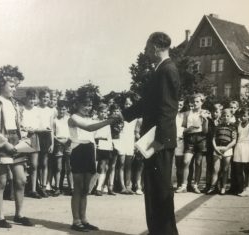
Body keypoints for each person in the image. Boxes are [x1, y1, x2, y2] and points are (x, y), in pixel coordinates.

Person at [122, 32, 179, 235]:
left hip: (158, 141)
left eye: (147, 47)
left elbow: (167, 109)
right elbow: (147, 103)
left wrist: (157, 143)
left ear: (156, 47)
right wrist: (123, 115)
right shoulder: (160, 70)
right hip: (155, 139)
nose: (145, 51)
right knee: (153, 189)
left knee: (160, 191)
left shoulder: (167, 70)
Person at [0, 65, 34, 228]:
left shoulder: (14, 104)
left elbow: (17, 123)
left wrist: (25, 133)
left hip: (16, 141)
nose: (14, 89)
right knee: (2, 180)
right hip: (2, 142)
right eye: (12, 86)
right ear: (2, 85)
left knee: (20, 180)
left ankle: (19, 214)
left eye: (16, 86)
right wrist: (5, 143)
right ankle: (0, 217)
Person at [68, 94, 119, 232]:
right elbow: (89, 128)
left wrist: (114, 122)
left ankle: (83, 219)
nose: (87, 107)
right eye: (84, 104)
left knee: (86, 188)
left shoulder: (90, 118)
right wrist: (110, 120)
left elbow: (95, 131)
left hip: (90, 150)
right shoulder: (73, 117)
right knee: (78, 188)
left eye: (90, 105)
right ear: (77, 104)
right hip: (78, 151)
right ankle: (76, 220)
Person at [176, 93, 209, 194]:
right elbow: (183, 130)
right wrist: (190, 129)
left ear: (202, 102)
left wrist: (205, 120)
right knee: (186, 161)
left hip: (201, 139)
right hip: (189, 139)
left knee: (198, 163)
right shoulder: (187, 113)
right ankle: (184, 185)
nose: (195, 103)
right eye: (194, 101)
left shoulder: (205, 112)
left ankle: (196, 185)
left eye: (197, 101)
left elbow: (206, 131)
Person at [207, 108, 237, 195]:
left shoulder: (233, 127)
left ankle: (223, 187)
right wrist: (216, 148)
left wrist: (226, 148)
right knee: (215, 169)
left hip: (227, 149)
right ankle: (213, 187)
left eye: (228, 116)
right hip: (217, 149)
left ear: (231, 117)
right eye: (224, 115)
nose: (226, 117)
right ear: (221, 116)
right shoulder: (218, 127)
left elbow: (234, 140)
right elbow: (213, 139)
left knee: (225, 169)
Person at [20, 89, 41, 199]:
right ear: (26, 98)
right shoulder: (22, 109)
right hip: (23, 137)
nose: (32, 101)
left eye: (34, 98)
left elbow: (40, 124)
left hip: (34, 136)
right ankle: (21, 188)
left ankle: (33, 189)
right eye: (30, 98)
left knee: (34, 165)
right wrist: (25, 129)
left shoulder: (37, 110)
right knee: (22, 163)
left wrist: (35, 129)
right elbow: (19, 123)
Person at [233, 108, 249, 195]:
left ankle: (247, 188)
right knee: (238, 169)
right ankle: (241, 188)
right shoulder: (238, 124)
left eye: (245, 115)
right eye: (241, 115)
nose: (243, 117)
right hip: (238, 146)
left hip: (247, 147)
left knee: (247, 169)